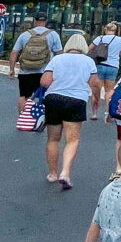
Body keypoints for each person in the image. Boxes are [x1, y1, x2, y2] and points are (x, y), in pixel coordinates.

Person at [40, 33, 100, 189]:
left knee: (53, 139)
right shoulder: (88, 62)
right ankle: (65, 173)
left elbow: (45, 81)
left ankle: (52, 173)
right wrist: (96, 99)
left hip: (54, 99)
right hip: (76, 100)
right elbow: (94, 84)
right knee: (72, 139)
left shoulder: (57, 59)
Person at [8, 13, 62, 114]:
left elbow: (14, 52)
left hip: (25, 71)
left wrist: (12, 69)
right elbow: (59, 53)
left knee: (23, 95)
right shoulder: (53, 34)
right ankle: (44, 117)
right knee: (47, 94)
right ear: (45, 22)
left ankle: (23, 117)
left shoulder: (25, 34)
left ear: (34, 21)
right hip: (45, 71)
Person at [87, 21, 121, 120]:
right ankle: (108, 111)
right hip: (113, 66)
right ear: (115, 30)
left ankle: (94, 113)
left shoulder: (99, 38)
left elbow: (89, 49)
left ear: (105, 29)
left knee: (96, 90)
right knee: (109, 90)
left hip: (100, 65)